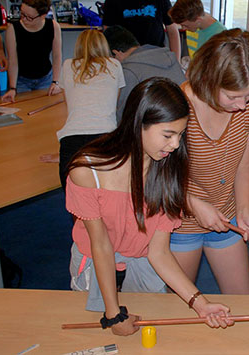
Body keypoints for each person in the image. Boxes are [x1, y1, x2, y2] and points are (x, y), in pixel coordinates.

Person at [67, 77, 233, 336]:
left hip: (142, 260)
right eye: (168, 135)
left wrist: (201, 304)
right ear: (138, 124)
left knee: (150, 333)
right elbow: (100, 245)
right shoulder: (87, 171)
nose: (176, 145)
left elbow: (159, 252)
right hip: (95, 261)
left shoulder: (168, 171)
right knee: (94, 333)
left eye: (180, 135)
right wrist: (114, 315)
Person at [169, 29, 249, 295]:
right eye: (232, 97)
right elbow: (158, 177)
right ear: (208, 80)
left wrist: (244, 212)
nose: (242, 105)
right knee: (182, 303)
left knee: (242, 301)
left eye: (248, 96)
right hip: (181, 217)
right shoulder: (177, 106)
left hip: (227, 214)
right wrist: (193, 204)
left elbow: (244, 167)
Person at [55, 29, 125, 191]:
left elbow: (70, 103)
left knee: (75, 197)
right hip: (105, 135)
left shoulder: (67, 65)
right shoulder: (114, 65)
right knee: (107, 194)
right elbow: (113, 104)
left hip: (72, 138)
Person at [103, 25, 185, 123]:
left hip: (159, 123)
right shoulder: (168, 56)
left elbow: (124, 113)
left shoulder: (129, 70)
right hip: (183, 118)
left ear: (116, 53)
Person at [1, 0, 62, 103]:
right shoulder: (13, 29)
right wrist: (12, 88)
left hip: (45, 78)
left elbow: (57, 56)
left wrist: (55, 82)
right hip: (21, 81)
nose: (24, 19)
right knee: (22, 111)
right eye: (22, 14)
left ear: (42, 16)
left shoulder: (53, 27)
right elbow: (13, 61)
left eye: (29, 17)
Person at [102, 0, 181, 58]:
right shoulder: (112, 2)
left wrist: (176, 61)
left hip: (156, 55)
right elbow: (108, 33)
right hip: (127, 57)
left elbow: (172, 31)